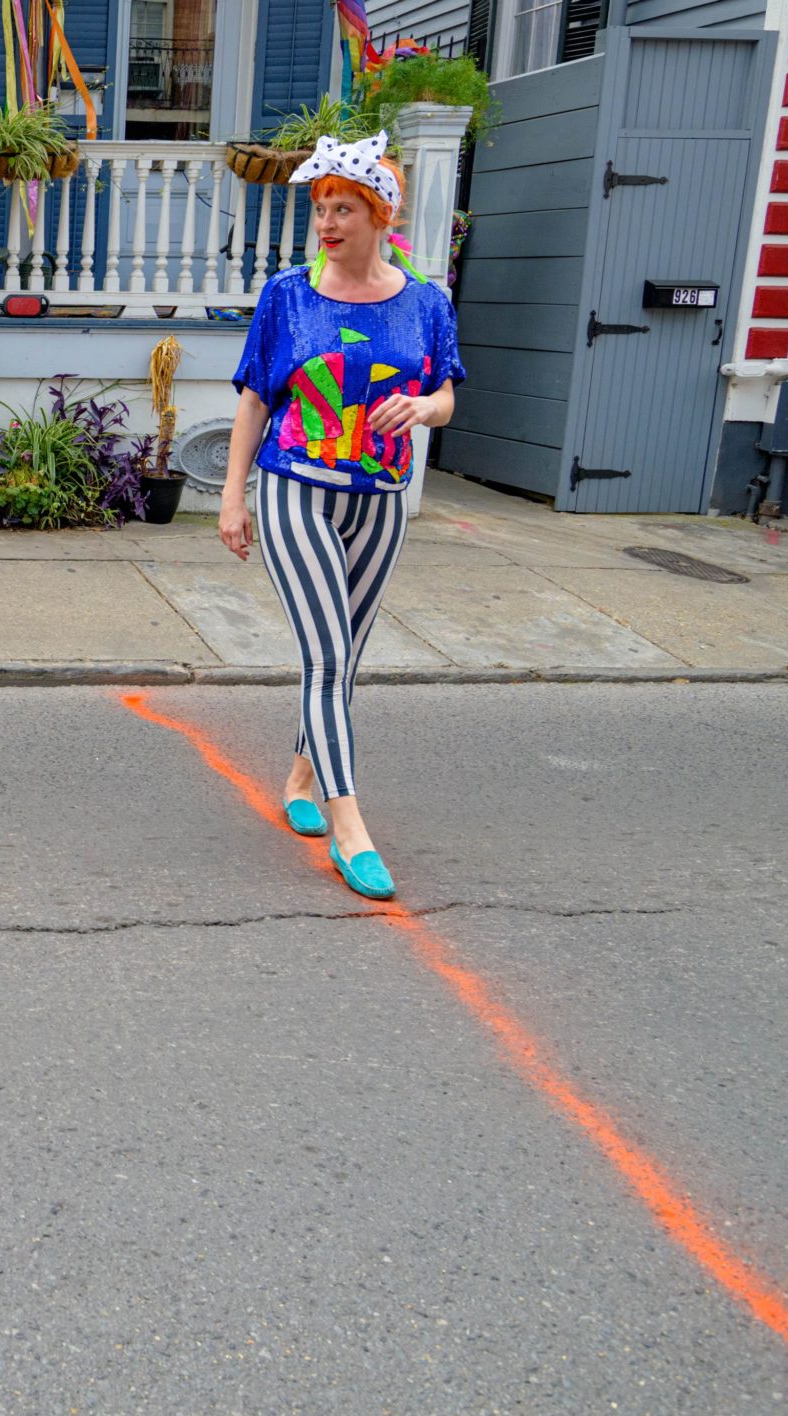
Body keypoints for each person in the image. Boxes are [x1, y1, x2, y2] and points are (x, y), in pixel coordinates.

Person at [219, 132, 463, 901]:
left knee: (344, 658)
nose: (326, 222)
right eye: (320, 208)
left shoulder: (427, 301)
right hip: (296, 487)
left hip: (381, 503)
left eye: (343, 208)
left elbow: (449, 395)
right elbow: (256, 396)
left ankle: (299, 775)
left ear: (379, 214)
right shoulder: (287, 294)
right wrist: (232, 496)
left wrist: (425, 406)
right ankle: (349, 825)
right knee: (327, 658)